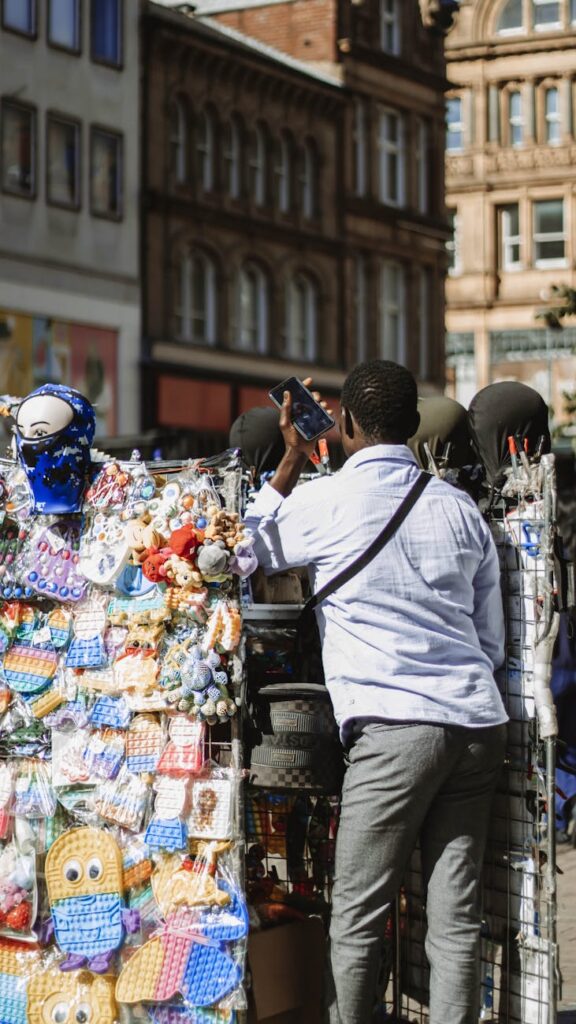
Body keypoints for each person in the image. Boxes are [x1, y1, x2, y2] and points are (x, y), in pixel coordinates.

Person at [245, 360, 508, 1024]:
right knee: (455, 917)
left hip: (394, 730)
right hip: (476, 724)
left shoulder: (324, 500)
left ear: (347, 423)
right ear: (415, 426)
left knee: (359, 916)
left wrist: (291, 458)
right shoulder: (460, 509)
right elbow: (492, 641)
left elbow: (239, 550)